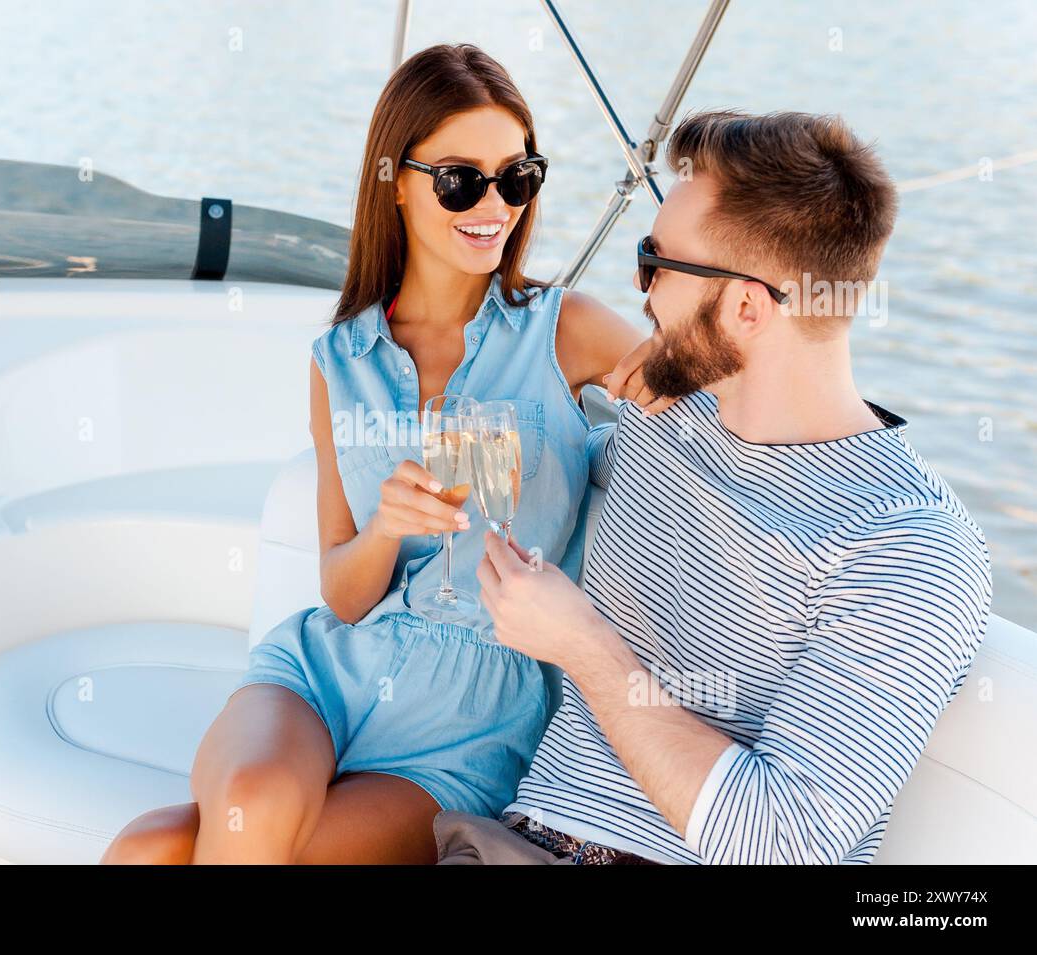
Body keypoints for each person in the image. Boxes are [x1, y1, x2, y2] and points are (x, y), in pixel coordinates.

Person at [101, 43, 664, 864]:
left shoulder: (562, 326)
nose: (495, 205)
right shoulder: (341, 360)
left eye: (517, 177)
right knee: (221, 814)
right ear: (392, 181)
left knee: (162, 849)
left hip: (475, 716)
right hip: (328, 674)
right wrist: (385, 529)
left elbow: (695, 396)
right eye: (462, 180)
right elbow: (343, 589)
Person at [437, 109, 993, 865]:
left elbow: (780, 842)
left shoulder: (906, 543)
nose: (640, 294)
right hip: (508, 840)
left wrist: (584, 645)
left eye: (654, 263)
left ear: (744, 307)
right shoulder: (665, 417)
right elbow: (548, 459)